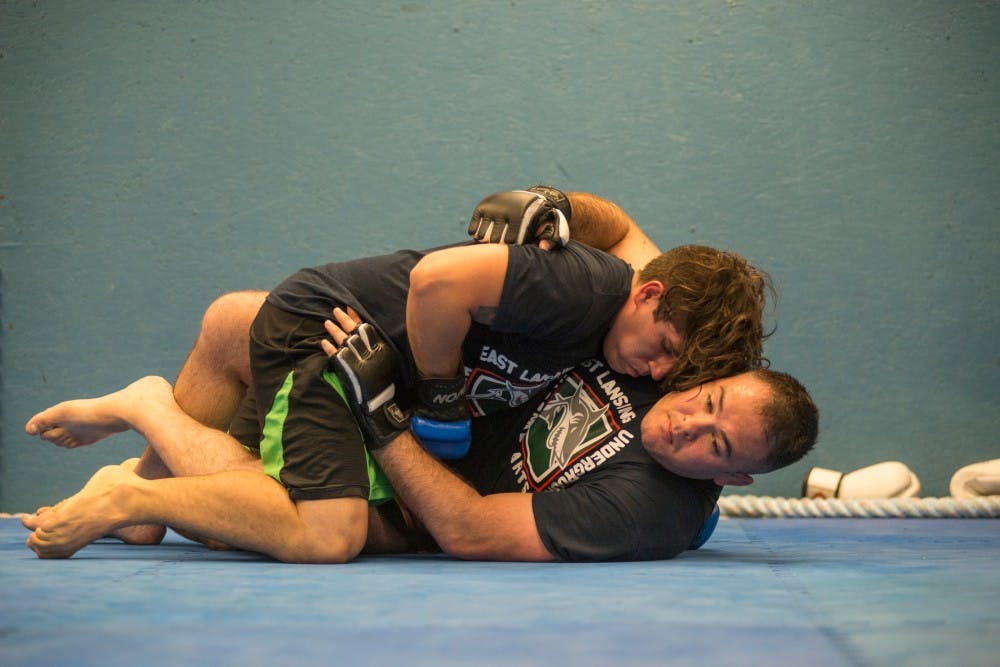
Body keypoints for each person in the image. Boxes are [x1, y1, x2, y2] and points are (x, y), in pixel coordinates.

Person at [23, 188, 783, 562]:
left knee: (317, 524)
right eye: (703, 398)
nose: (685, 415)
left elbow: (468, 527)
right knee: (237, 321)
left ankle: (146, 453)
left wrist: (394, 415)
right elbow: (614, 227)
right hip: (407, 387)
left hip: (425, 473)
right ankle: (151, 442)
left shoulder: (656, 502)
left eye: (717, 448)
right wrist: (555, 206)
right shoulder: (657, 331)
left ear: (733, 478)